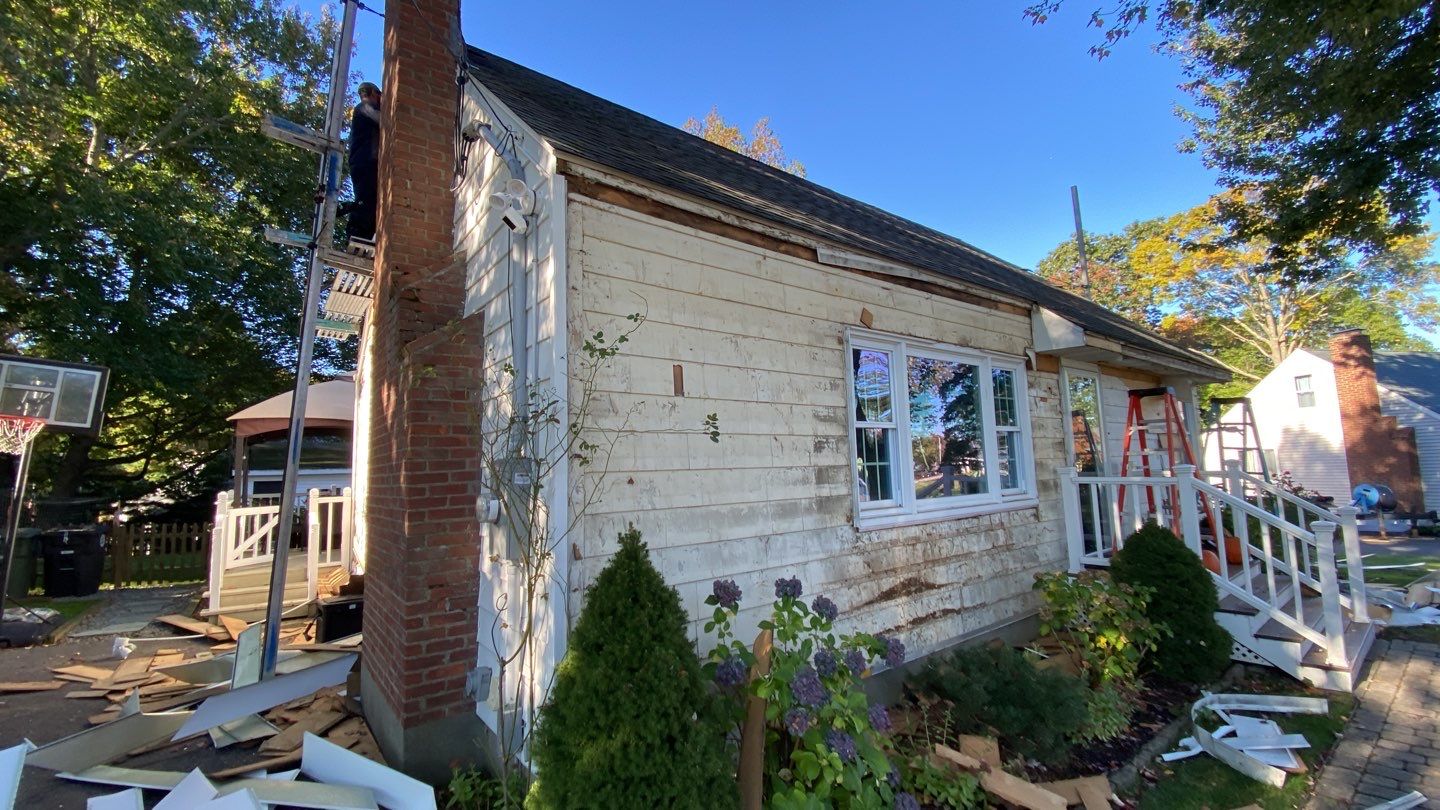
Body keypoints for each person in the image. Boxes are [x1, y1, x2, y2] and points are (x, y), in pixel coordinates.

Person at [345, 82, 382, 243]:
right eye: (379, 95)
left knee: (370, 200)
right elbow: (384, 120)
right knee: (365, 199)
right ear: (373, 93)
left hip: (363, 162)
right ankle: (356, 234)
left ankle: (366, 235)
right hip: (364, 162)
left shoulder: (362, 110)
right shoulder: (364, 107)